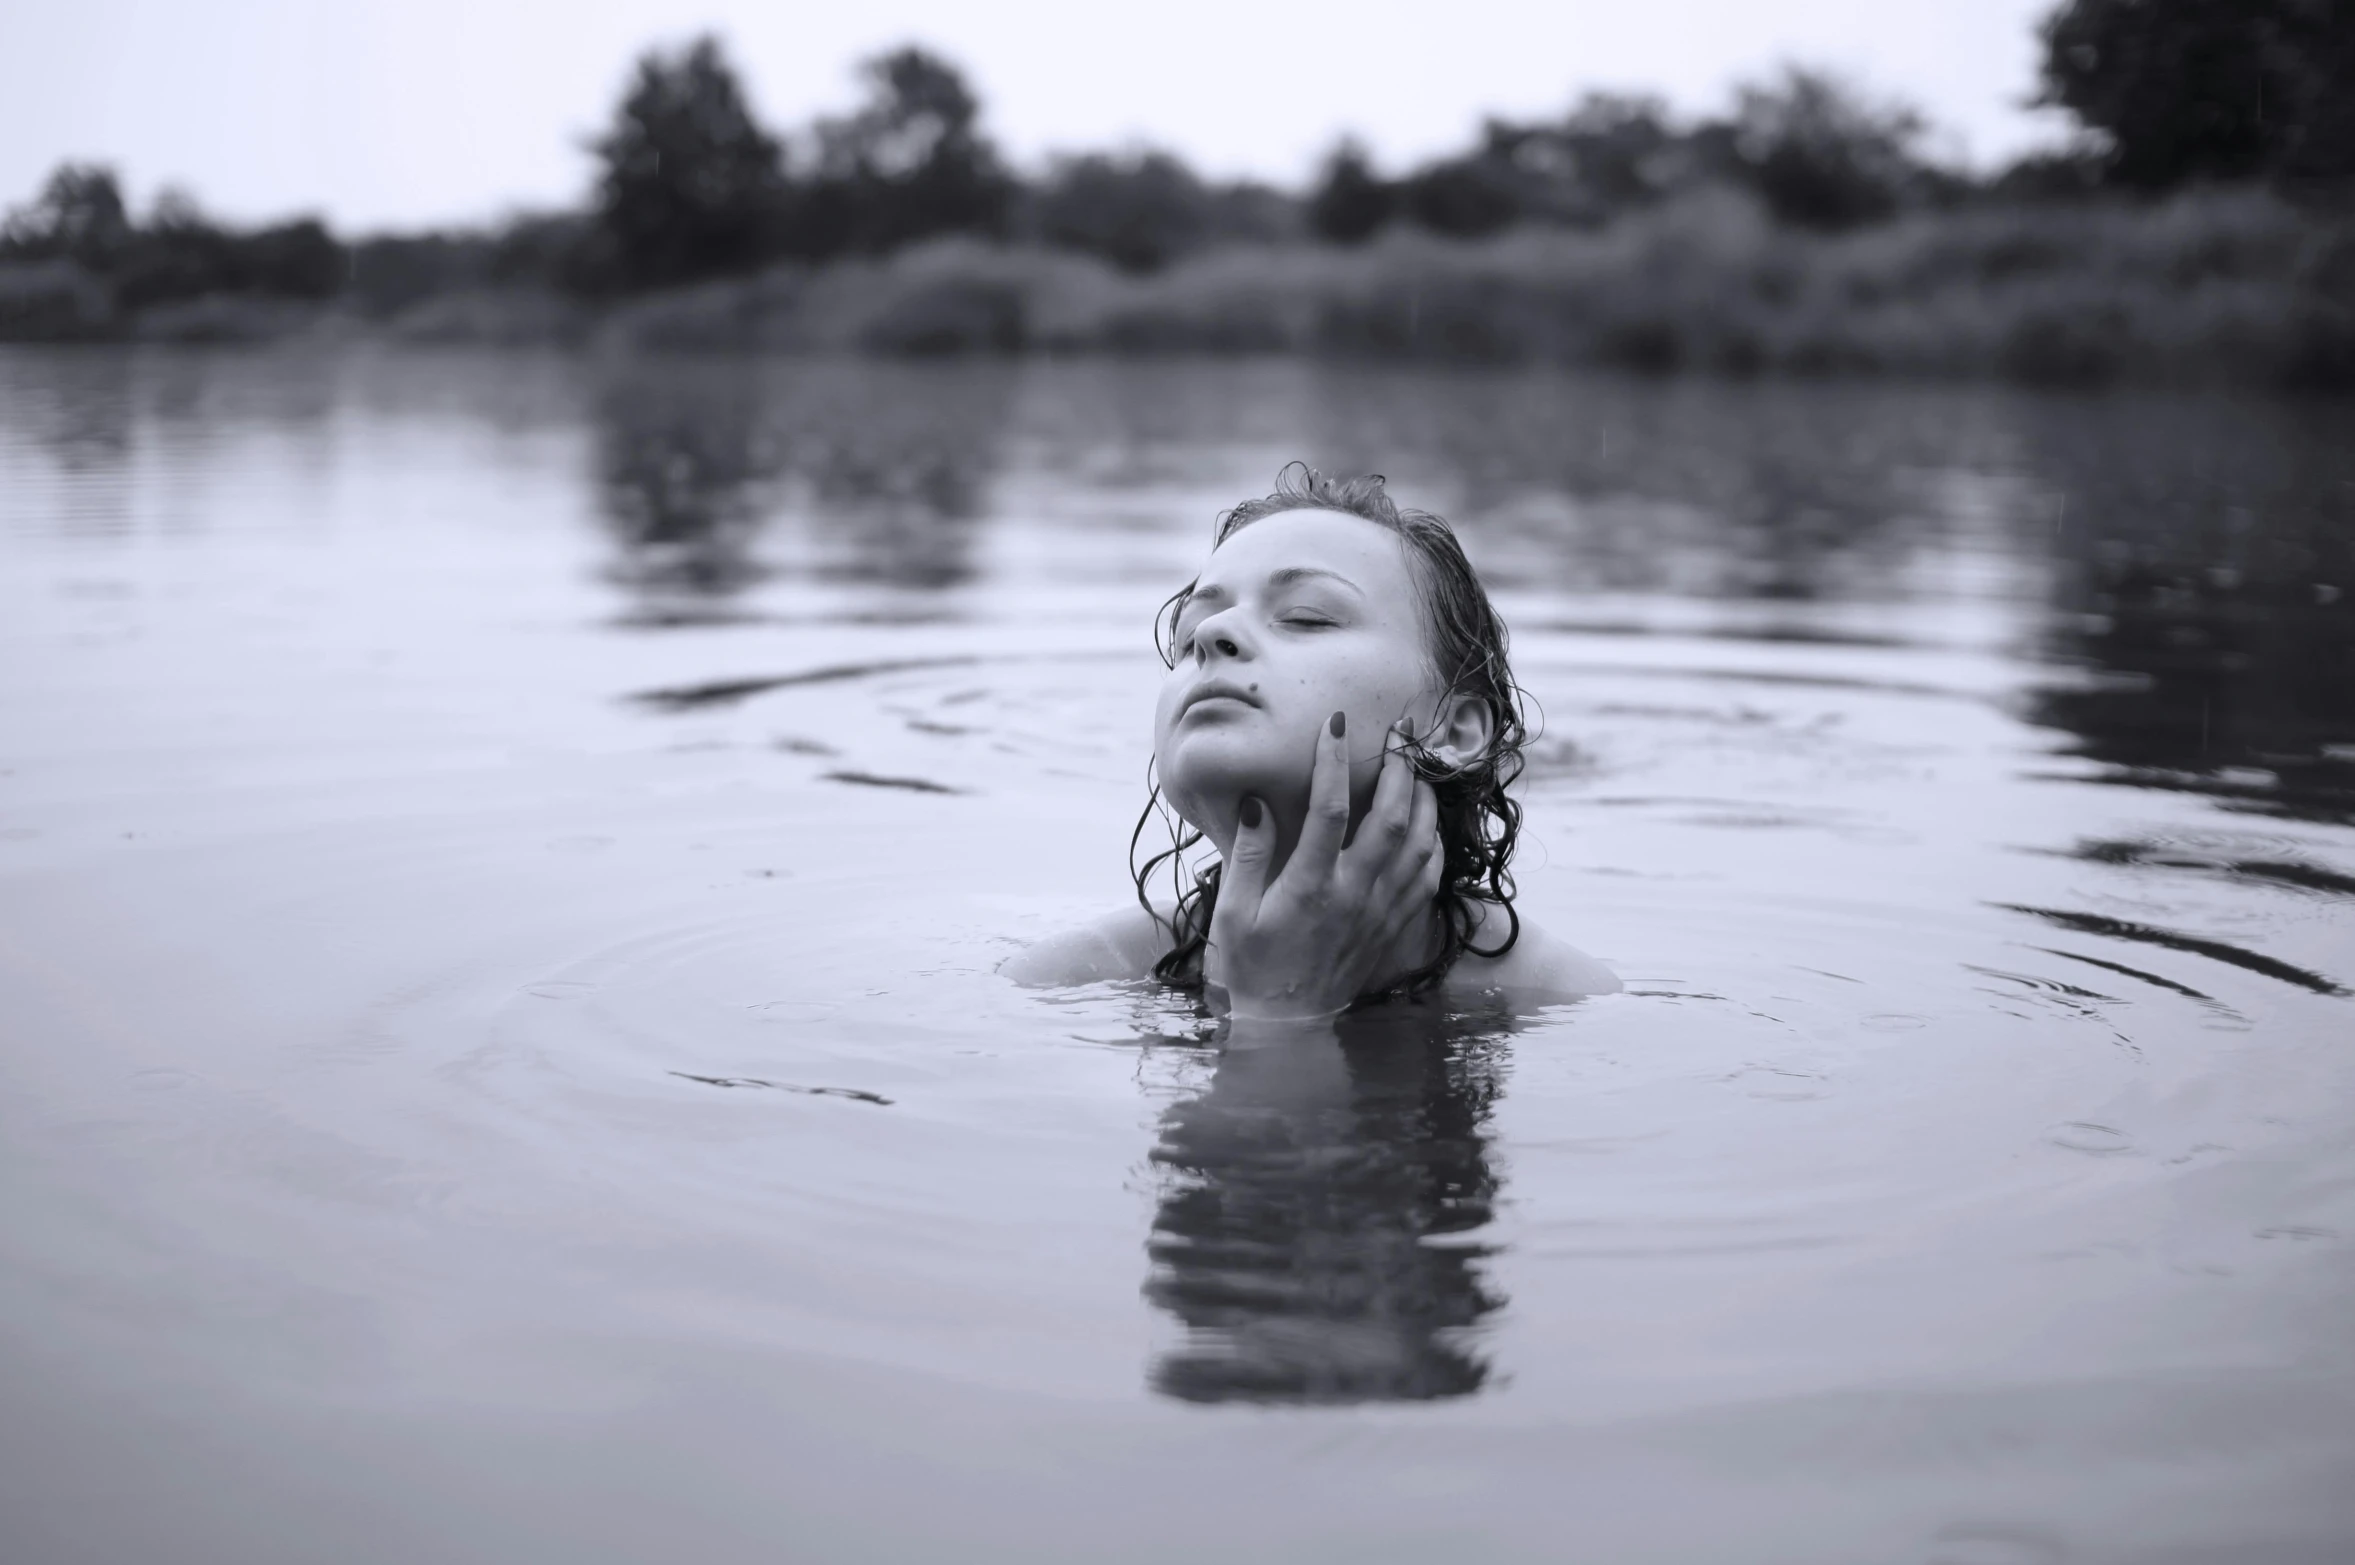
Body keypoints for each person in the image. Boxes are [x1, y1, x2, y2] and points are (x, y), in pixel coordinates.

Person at [1004, 464, 1617, 1020]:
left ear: (1453, 731)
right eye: (1193, 628)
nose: (1212, 632)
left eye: (1305, 617)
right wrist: (1278, 1010)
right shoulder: (1062, 981)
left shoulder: (1561, 997)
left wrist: (1276, 1012)